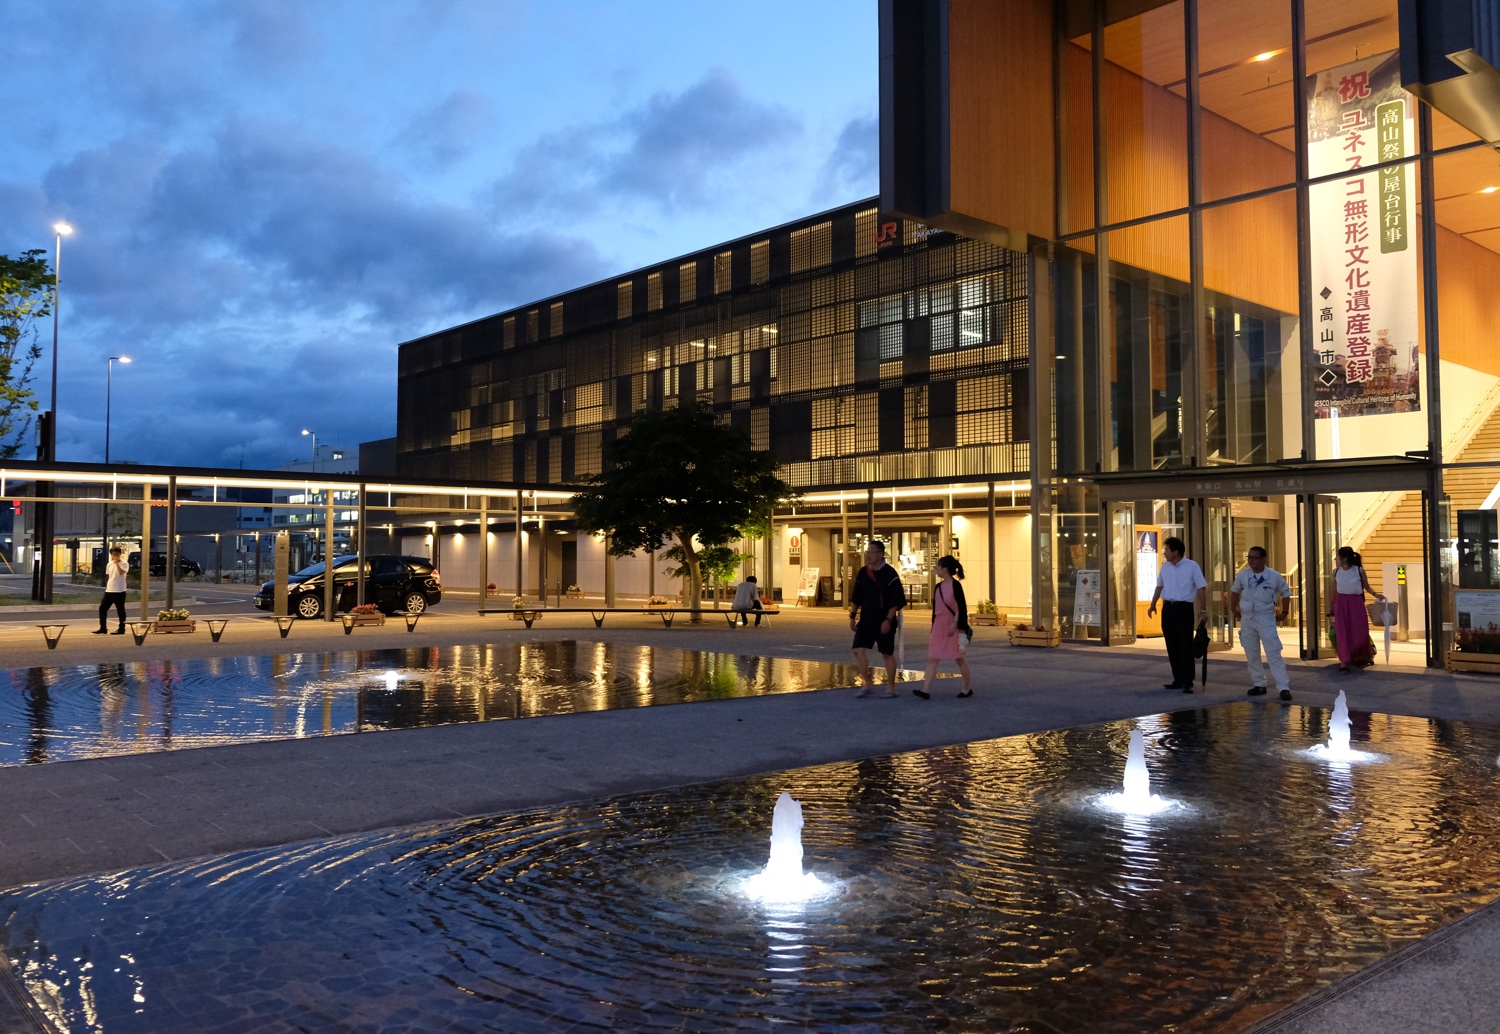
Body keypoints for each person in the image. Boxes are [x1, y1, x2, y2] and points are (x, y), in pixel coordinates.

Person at [1229, 546, 1292, 701]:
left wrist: (1284, 612)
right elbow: (1235, 591)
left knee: (1273, 652)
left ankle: (1283, 687)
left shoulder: (1274, 576)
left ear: (1264, 559)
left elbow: (1285, 593)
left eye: (1255, 558)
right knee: (1251, 653)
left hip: (1265, 617)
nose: (1251, 561)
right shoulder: (1243, 575)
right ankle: (1259, 683)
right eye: (1249, 558)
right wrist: (1233, 608)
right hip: (1247, 617)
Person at [1146, 536, 1207, 693]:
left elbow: (1201, 588)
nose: (1164, 553)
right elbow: (1159, 586)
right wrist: (1153, 604)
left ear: (1176, 551)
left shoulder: (1192, 566)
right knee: (1171, 644)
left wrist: (1203, 609)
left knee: (1185, 644)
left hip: (1184, 608)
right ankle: (1177, 678)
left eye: (1167, 550)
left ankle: (1188, 680)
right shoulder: (1165, 567)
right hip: (1168, 608)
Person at [849, 540, 907, 698]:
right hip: (866, 618)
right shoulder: (863, 572)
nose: (868, 555)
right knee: (857, 650)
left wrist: (888, 620)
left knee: (887, 653)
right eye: (867, 552)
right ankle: (867, 682)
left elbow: (897, 599)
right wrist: (852, 616)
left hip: (884, 619)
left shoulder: (890, 573)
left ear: (881, 554)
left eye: (871, 552)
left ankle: (891, 687)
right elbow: (856, 596)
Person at [912, 555, 973, 700]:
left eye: (938, 567)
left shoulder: (955, 585)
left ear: (945, 569)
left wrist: (956, 624)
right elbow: (936, 609)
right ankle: (925, 689)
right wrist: (933, 627)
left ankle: (966, 688)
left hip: (953, 625)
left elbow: (961, 607)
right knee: (933, 657)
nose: (936, 569)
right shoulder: (938, 587)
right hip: (939, 625)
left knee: (959, 658)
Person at [1330, 546, 1384, 673]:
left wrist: (1376, 595)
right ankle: (1344, 661)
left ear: (1345, 558)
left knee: (1359, 631)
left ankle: (1358, 655)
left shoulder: (1359, 570)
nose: (1336, 558)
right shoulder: (1336, 571)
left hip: (1356, 602)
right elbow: (1334, 590)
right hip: (1341, 603)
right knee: (1342, 632)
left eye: (1338, 556)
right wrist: (1330, 606)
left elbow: (1366, 586)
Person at [95, 546, 129, 635]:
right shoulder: (109, 564)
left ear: (120, 554)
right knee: (102, 608)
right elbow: (109, 576)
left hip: (120, 590)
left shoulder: (124, 563)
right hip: (109, 590)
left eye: (117, 554)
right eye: (113, 554)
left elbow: (121, 572)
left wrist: (117, 563)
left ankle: (121, 629)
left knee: (120, 610)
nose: (115, 556)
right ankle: (103, 628)